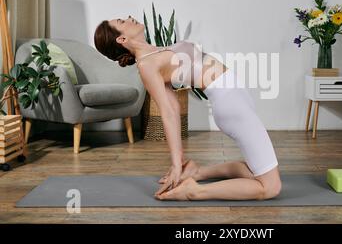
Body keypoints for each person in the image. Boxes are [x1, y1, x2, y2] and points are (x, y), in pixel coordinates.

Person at [94, 16, 281, 201]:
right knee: (270, 187)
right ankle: (194, 191)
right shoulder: (146, 65)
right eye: (121, 21)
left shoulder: (154, 52)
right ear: (122, 39)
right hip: (231, 106)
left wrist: (181, 163)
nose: (128, 18)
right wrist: (176, 163)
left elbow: (174, 105)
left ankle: (196, 172)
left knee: (251, 170)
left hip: (236, 101)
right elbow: (168, 112)